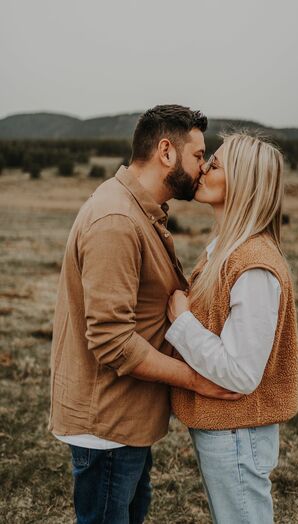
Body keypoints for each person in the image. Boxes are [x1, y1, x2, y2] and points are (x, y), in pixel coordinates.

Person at [48, 105, 241, 524]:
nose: (204, 167)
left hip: (124, 423)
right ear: (166, 152)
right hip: (107, 429)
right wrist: (199, 381)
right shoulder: (116, 220)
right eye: (198, 155)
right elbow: (112, 341)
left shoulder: (138, 210)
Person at [166, 132, 298, 524]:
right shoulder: (228, 249)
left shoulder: (254, 263)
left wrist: (182, 321)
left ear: (242, 182)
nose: (204, 168)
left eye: (217, 164)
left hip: (237, 433)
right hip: (228, 430)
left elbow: (241, 372)